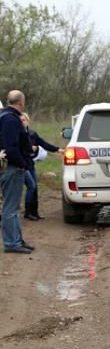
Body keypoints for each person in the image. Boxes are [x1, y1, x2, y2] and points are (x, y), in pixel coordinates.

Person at [0, 90, 34, 254]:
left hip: (11, 167)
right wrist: (22, 164)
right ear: (21, 102)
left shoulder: (7, 116)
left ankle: (17, 240)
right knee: (10, 208)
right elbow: (11, 147)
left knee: (13, 207)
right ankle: (11, 243)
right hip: (12, 168)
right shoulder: (10, 119)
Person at [20, 112, 63, 220]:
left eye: (24, 120)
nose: (22, 122)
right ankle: (28, 212)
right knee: (31, 186)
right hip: (21, 164)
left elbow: (44, 143)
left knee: (34, 188)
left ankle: (34, 212)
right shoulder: (17, 134)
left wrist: (58, 150)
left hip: (30, 164)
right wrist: (31, 149)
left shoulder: (32, 133)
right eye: (20, 121)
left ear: (28, 121)